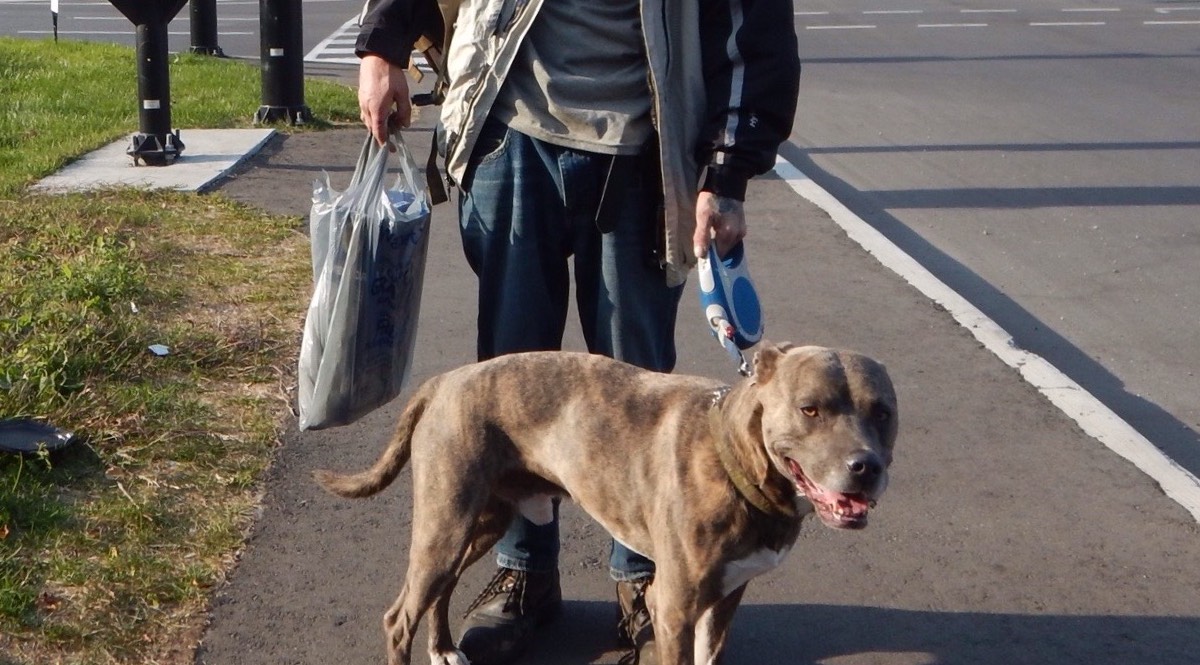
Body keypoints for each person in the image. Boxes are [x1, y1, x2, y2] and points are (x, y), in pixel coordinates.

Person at [354, 1, 799, 663]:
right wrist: (381, 50)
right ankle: (524, 573)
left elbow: (753, 23)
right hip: (509, 122)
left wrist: (729, 167)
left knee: (643, 394)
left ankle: (649, 581)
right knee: (504, 388)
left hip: (645, 139)